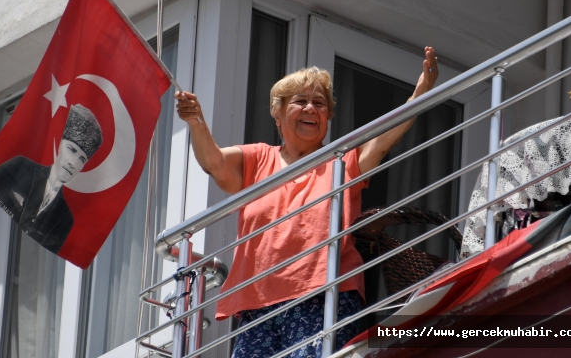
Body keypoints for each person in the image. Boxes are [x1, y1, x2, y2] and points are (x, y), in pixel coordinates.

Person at [175, 47, 438, 357]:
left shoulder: (340, 161)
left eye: (320, 103)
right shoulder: (258, 159)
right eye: (300, 101)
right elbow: (214, 163)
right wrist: (196, 123)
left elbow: (382, 141)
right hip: (257, 305)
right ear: (278, 114)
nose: (312, 108)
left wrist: (421, 92)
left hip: (322, 297)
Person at [0, 104, 103, 254]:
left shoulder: (66, 218)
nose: (74, 162)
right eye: (72, 149)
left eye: (82, 159)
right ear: (59, 144)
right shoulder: (20, 167)